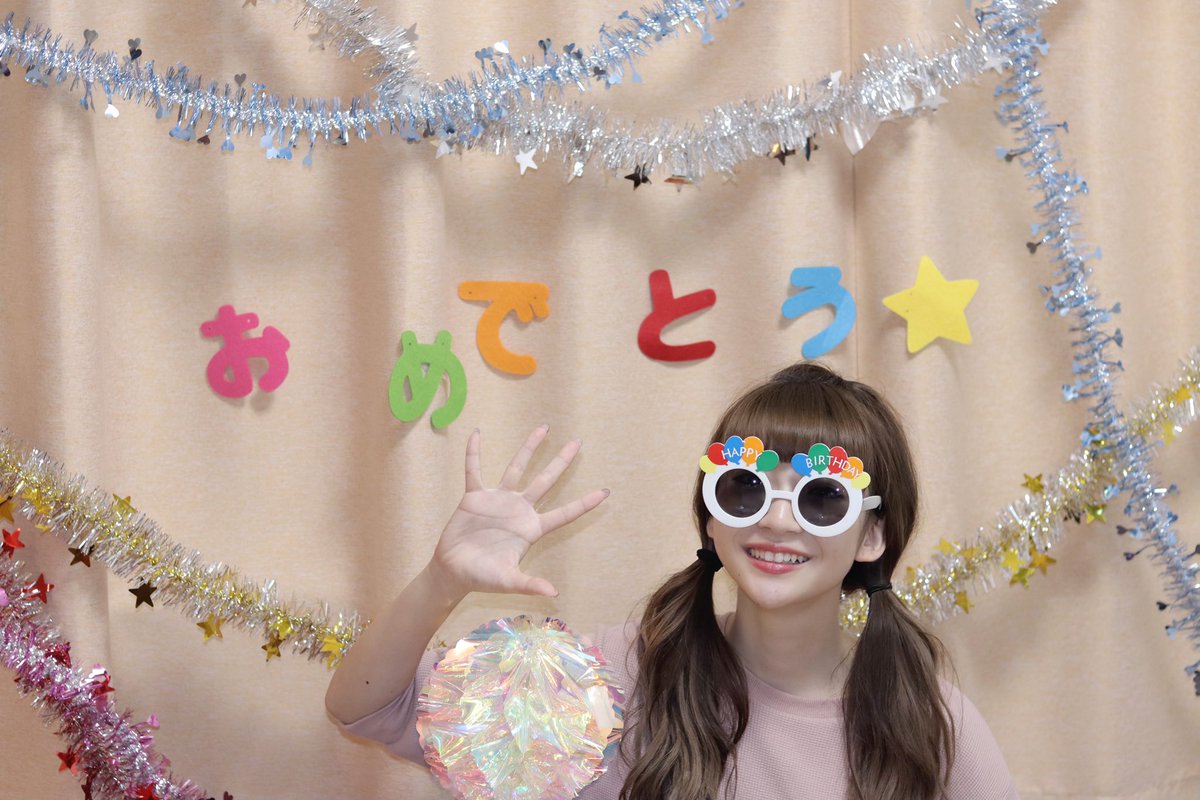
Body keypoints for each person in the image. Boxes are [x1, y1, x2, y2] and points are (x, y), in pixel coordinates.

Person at [325, 362, 1019, 800]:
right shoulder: (619, 677)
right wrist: (441, 581)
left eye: (822, 498)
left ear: (872, 536)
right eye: (745, 489)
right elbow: (369, 707)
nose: (777, 521)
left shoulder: (929, 721)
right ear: (712, 519)